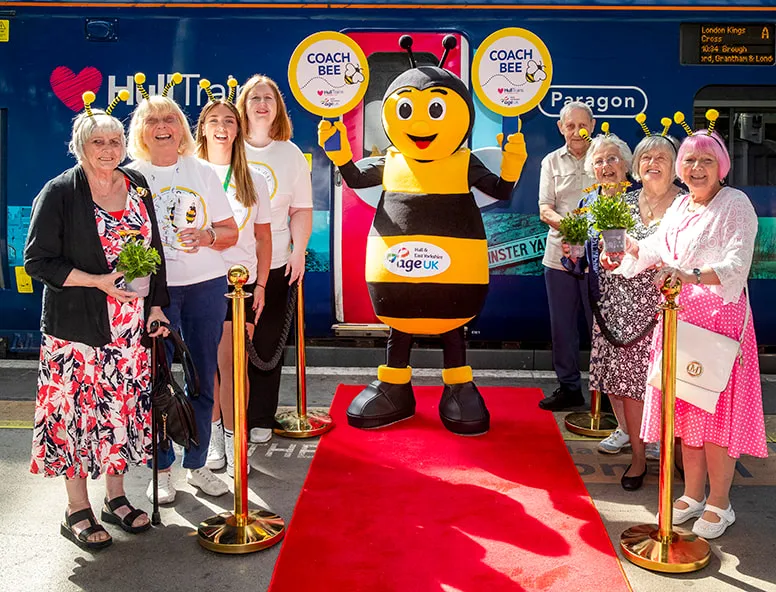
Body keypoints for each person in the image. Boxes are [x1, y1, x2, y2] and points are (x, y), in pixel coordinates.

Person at [607, 124, 767, 538]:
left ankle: (720, 502)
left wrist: (689, 274)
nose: (697, 168)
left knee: (713, 416)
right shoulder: (681, 207)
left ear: (722, 167)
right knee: (687, 415)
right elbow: (655, 249)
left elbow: (736, 265)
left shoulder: (736, 204)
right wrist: (624, 250)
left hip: (720, 325)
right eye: (690, 160)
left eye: (706, 160)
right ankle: (694, 493)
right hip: (679, 321)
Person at [25, 107, 170, 550]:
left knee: (118, 414)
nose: (108, 150)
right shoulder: (60, 193)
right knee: (76, 416)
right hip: (77, 332)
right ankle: (76, 509)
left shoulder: (137, 185)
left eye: (115, 142)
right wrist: (99, 281)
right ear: (80, 147)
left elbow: (155, 247)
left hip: (128, 331)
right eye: (98, 142)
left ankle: (115, 497)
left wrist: (157, 306)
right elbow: (38, 261)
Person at [127, 94, 238, 504]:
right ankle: (162, 469)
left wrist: (208, 236)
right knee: (155, 382)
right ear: (141, 131)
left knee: (202, 375)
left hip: (206, 286)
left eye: (170, 119)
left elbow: (230, 231)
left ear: (181, 128)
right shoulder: (129, 176)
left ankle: (197, 466)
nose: (162, 126)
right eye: (152, 119)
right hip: (154, 292)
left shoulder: (203, 172)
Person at [579, 131, 682, 490]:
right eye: (646, 159)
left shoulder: (686, 204)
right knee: (628, 387)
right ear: (636, 167)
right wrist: (608, 259)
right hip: (621, 310)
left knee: (669, 385)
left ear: (675, 167)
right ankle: (638, 457)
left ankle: (676, 454)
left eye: (661, 159)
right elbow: (611, 250)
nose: (653, 164)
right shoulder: (622, 202)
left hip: (670, 309)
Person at [195, 97, 272, 476]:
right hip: (196, 284)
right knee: (204, 370)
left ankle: (233, 440)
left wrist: (261, 286)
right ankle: (213, 445)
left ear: (238, 128)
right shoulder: (189, 173)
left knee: (233, 367)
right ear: (203, 128)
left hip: (237, 288)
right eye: (214, 120)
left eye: (229, 119)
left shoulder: (253, 178)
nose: (222, 126)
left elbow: (262, 238)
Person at [236, 75, 312, 444]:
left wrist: (298, 251)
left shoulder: (290, 153)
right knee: (226, 348)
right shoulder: (227, 147)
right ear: (243, 106)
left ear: (278, 107)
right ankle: (227, 420)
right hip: (228, 266)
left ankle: (260, 417)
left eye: (269, 98)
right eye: (255, 98)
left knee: (267, 345)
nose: (262, 104)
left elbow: (300, 209)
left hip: (277, 262)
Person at [538, 101, 597, 410]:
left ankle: (607, 397)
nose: (576, 132)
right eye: (569, 126)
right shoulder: (550, 162)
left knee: (599, 326)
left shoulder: (603, 157)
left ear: (593, 125)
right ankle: (569, 388)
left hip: (598, 261)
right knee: (562, 326)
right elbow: (544, 207)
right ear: (560, 128)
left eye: (581, 125)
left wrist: (589, 233)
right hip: (558, 258)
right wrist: (571, 227)